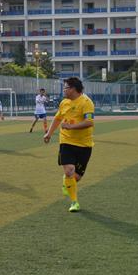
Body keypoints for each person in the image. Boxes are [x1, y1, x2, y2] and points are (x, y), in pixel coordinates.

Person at [44, 77, 95, 213]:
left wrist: (71, 126)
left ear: (73, 89)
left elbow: (89, 122)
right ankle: (74, 202)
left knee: (76, 177)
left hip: (84, 144)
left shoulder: (86, 102)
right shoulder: (64, 103)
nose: (64, 90)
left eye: (65, 88)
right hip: (66, 141)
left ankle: (67, 181)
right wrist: (49, 133)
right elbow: (57, 118)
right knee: (69, 171)